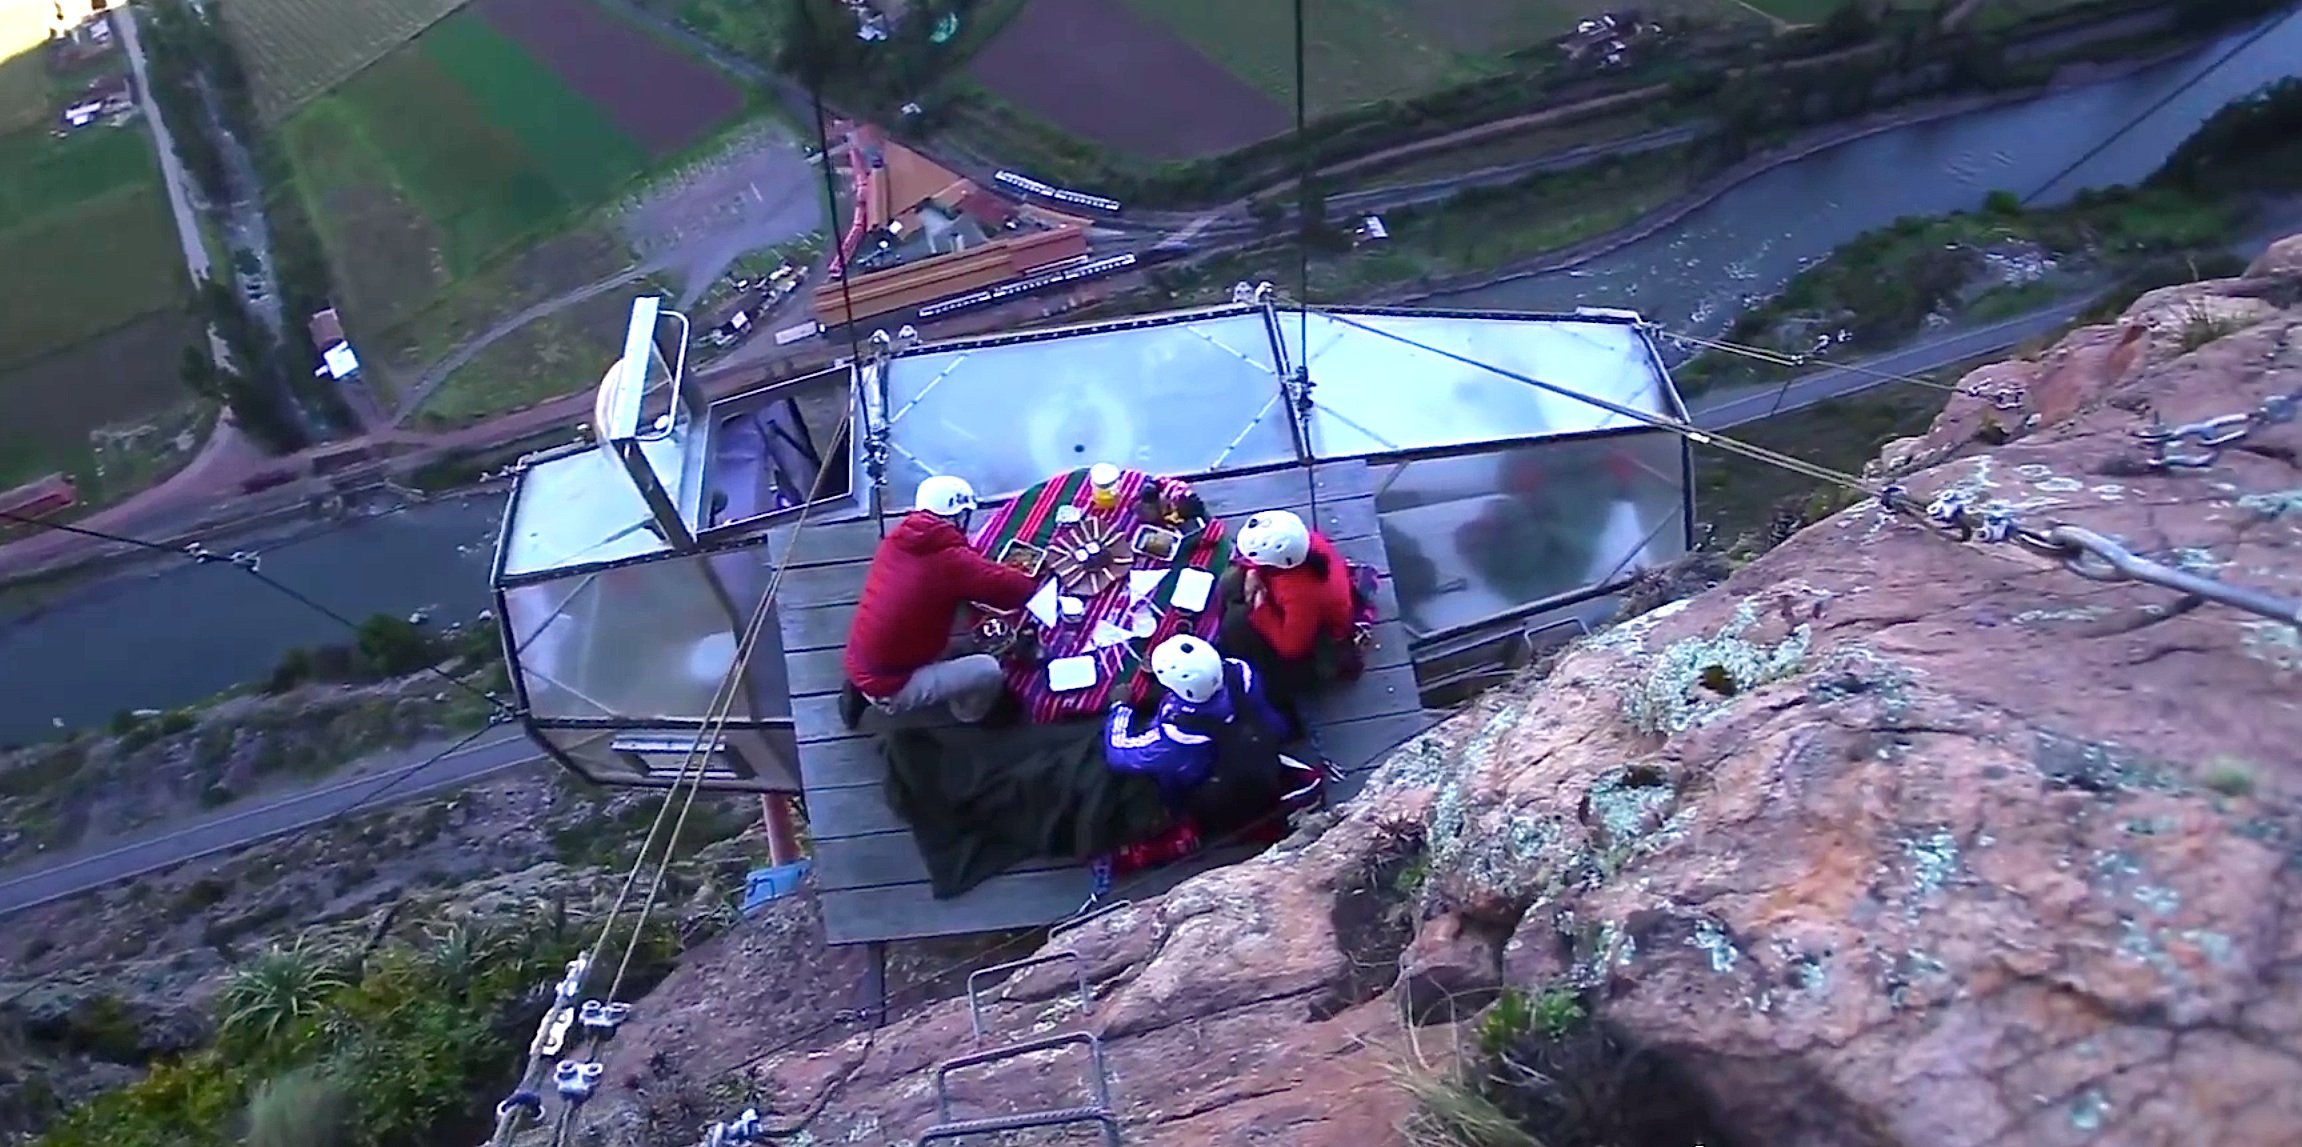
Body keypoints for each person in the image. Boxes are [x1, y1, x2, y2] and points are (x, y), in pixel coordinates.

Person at [841, 475, 1038, 729]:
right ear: (956, 516)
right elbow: (1016, 590)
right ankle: (972, 713)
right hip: (891, 685)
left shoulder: (897, 539)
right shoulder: (951, 562)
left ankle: (860, 691)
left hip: (861, 658)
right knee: (988, 670)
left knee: (949, 612)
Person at [1218, 509, 1359, 700]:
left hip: (1318, 637)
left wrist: (1261, 609)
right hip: (1293, 603)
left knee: (1236, 622)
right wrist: (1253, 572)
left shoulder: (1301, 593)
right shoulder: (1307, 542)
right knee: (1230, 582)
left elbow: (1292, 646)